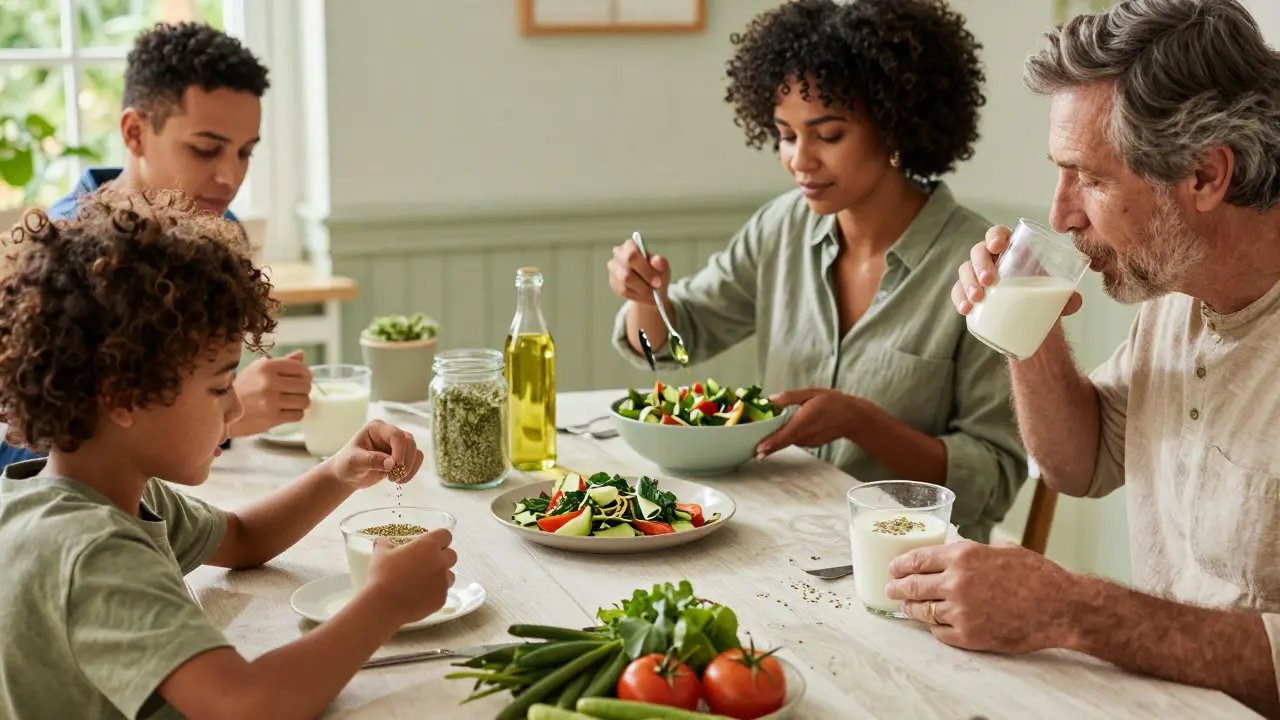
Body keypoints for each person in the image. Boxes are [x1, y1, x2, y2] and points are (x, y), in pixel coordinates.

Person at [889, 0, 1280, 714]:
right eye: (1061, 173)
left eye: (1092, 179)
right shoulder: (1177, 283)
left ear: (1204, 175)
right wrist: (1026, 329)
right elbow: (1081, 462)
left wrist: (1073, 610)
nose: (1063, 213)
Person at [0, 191, 456, 719]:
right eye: (220, 387)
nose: (237, 408)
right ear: (122, 396)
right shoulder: (91, 551)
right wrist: (384, 603)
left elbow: (242, 538)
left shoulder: (106, 493)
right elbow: (248, 706)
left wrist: (338, 471)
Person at [606, 0, 1026, 541]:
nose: (799, 160)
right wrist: (645, 295)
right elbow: (673, 338)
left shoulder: (983, 268)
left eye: (827, 136)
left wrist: (863, 424)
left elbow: (990, 479)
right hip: (779, 537)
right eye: (785, 134)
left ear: (895, 129)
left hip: (914, 566)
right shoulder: (780, 228)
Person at [0, 22, 308, 470]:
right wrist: (222, 416)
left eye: (245, 152)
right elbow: (13, 448)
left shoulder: (222, 231)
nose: (230, 177)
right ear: (134, 133)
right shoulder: (60, 253)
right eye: (205, 149)